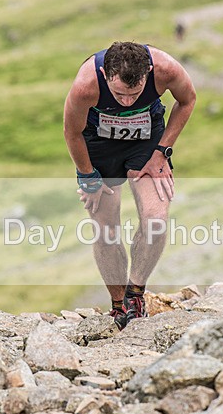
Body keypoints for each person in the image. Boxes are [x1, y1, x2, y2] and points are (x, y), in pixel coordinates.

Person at [63, 41, 196, 329]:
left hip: (146, 142)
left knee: (156, 219)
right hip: (98, 145)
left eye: (134, 94)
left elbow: (187, 100)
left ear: (148, 73)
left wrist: (162, 152)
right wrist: (88, 178)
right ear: (106, 73)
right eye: (119, 93)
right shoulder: (87, 83)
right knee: (106, 228)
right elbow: (71, 132)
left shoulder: (166, 69)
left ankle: (136, 295)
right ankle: (118, 305)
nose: (126, 101)